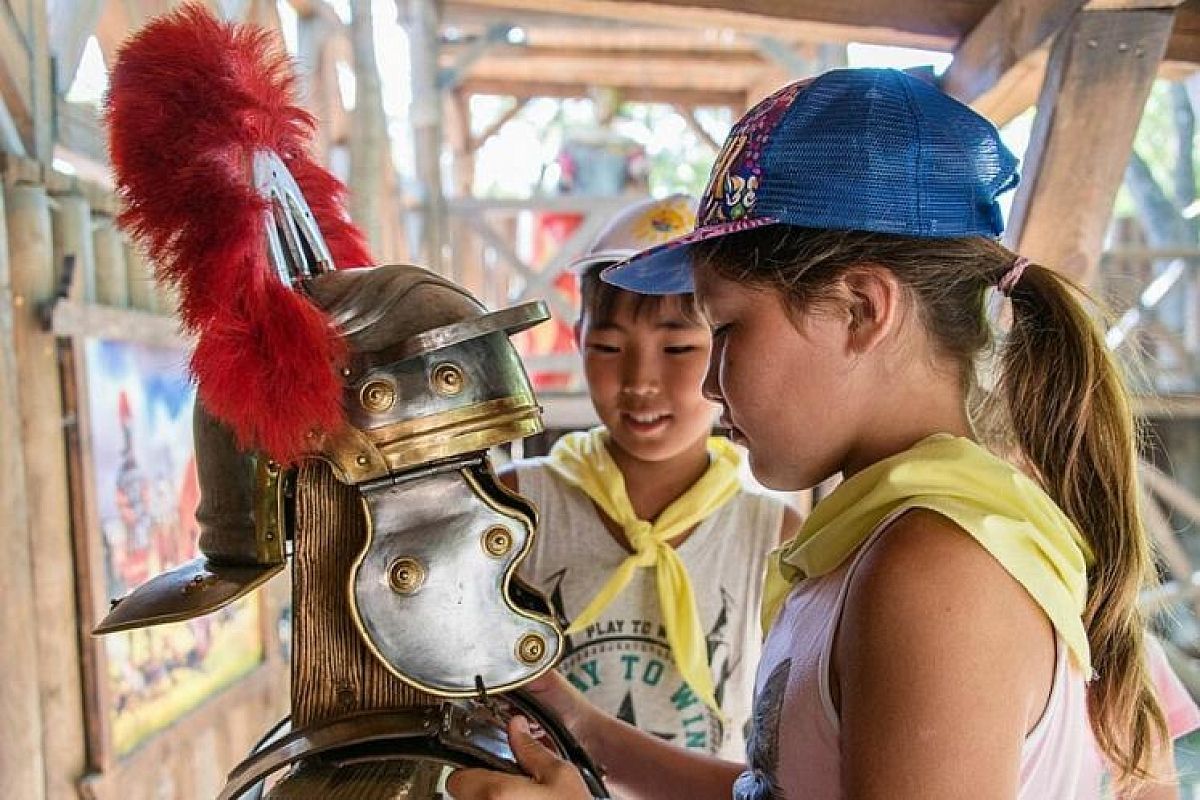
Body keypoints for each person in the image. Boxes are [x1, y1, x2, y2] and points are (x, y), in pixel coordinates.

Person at [448, 68, 1182, 799]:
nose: (710, 381)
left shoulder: (935, 572)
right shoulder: (878, 544)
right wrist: (585, 727)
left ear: (862, 309)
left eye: (727, 328)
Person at [499, 194, 798, 765]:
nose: (640, 381)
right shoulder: (516, 508)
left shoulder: (775, 538)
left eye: (679, 347)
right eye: (608, 347)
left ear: (731, 348)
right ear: (578, 339)